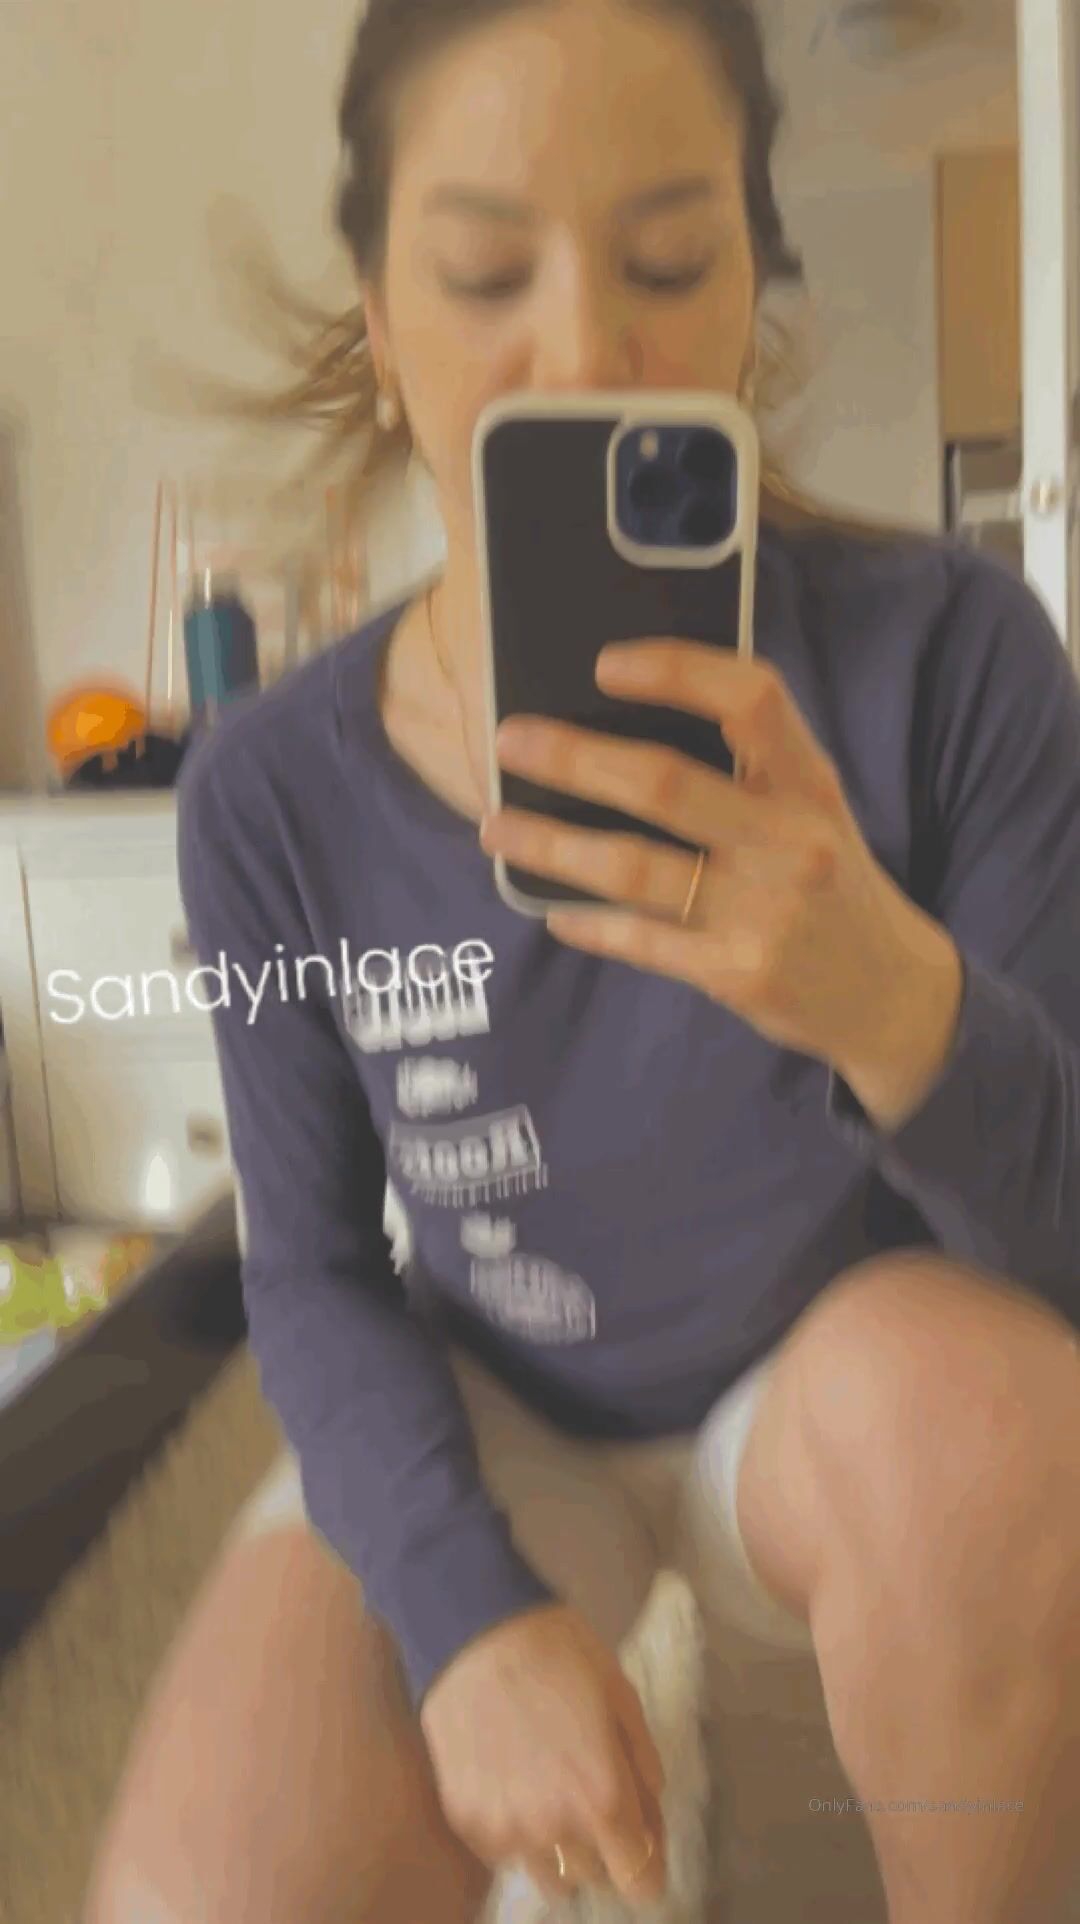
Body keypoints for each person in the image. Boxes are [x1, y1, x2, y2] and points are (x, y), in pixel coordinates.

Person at [86, 2, 1080, 1921]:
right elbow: (310, 1268)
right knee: (208, 1885)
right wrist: (462, 1615)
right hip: (505, 1399)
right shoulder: (271, 792)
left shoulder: (958, 658)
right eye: (484, 277)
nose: (585, 352)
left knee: (994, 1446)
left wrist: (893, 1003)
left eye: (671, 262)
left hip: (848, 1401)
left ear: (752, 292)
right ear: (382, 329)